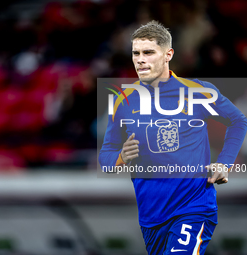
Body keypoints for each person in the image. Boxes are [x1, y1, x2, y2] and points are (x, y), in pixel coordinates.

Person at [99, 20, 247, 255]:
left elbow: (238, 121)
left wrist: (224, 163)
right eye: (135, 53)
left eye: (148, 52)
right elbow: (105, 159)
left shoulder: (197, 92)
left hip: (194, 207)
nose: (140, 59)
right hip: (151, 217)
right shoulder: (124, 100)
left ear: (168, 54)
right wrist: (121, 157)